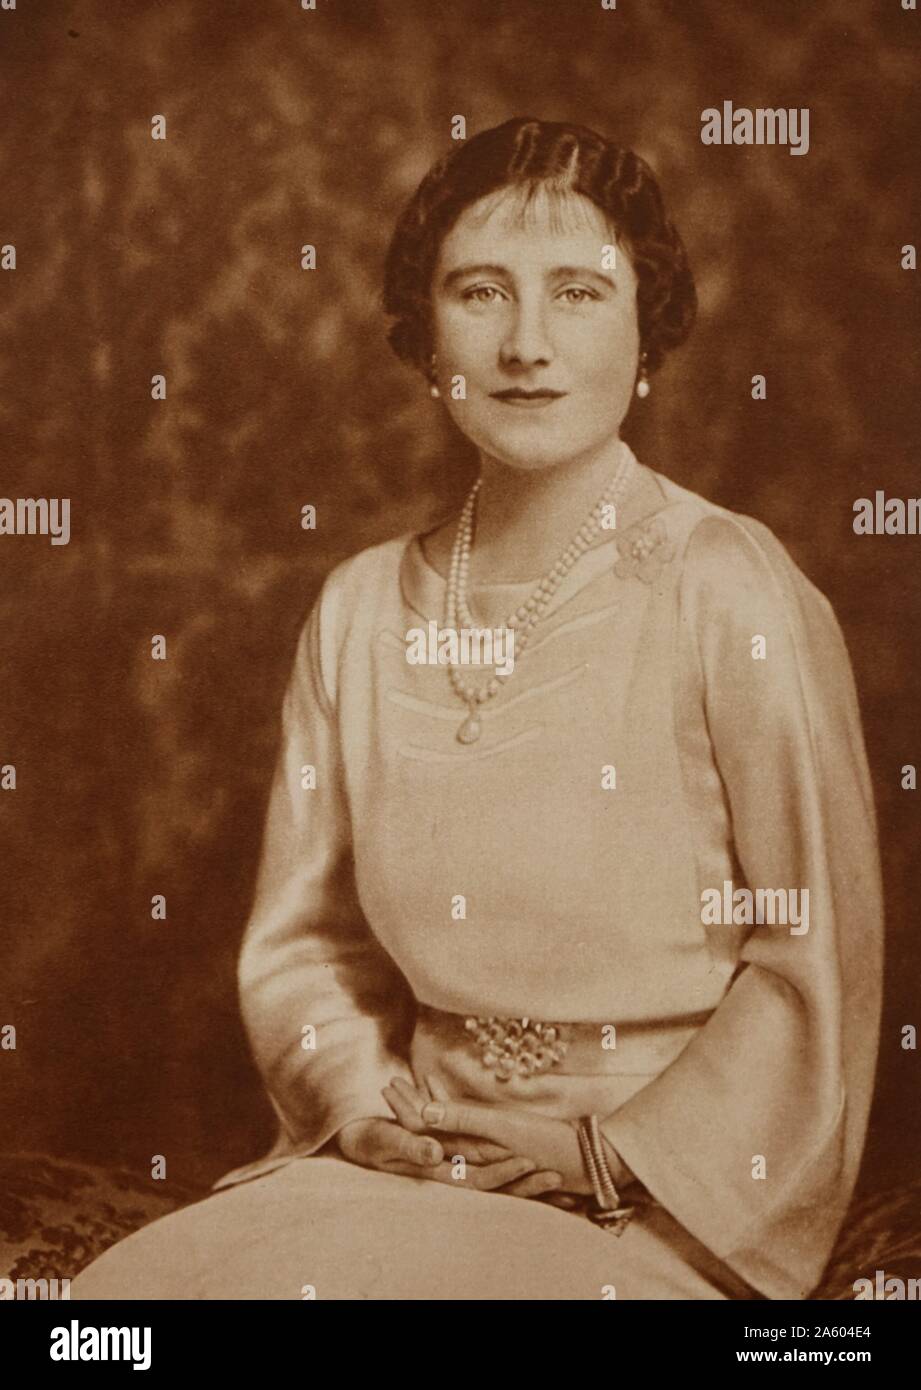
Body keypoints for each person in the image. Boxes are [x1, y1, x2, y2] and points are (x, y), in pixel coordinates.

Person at [72, 117, 883, 1301]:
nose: (526, 346)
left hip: (650, 1197)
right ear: (423, 334)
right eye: (481, 293)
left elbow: (810, 956)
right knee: (110, 1324)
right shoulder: (356, 608)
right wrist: (361, 1110)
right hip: (414, 1162)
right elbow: (308, 945)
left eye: (579, 294)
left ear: (647, 333)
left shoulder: (729, 584)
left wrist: (607, 1152)